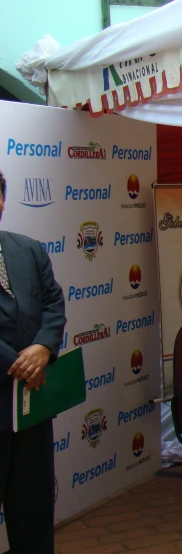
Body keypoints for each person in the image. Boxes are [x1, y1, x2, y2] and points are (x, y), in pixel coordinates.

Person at [0, 170, 66, 554]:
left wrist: (44, 347)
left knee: (34, 512)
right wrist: (18, 364)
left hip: (31, 409)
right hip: (18, 382)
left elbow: (53, 304)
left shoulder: (29, 249)